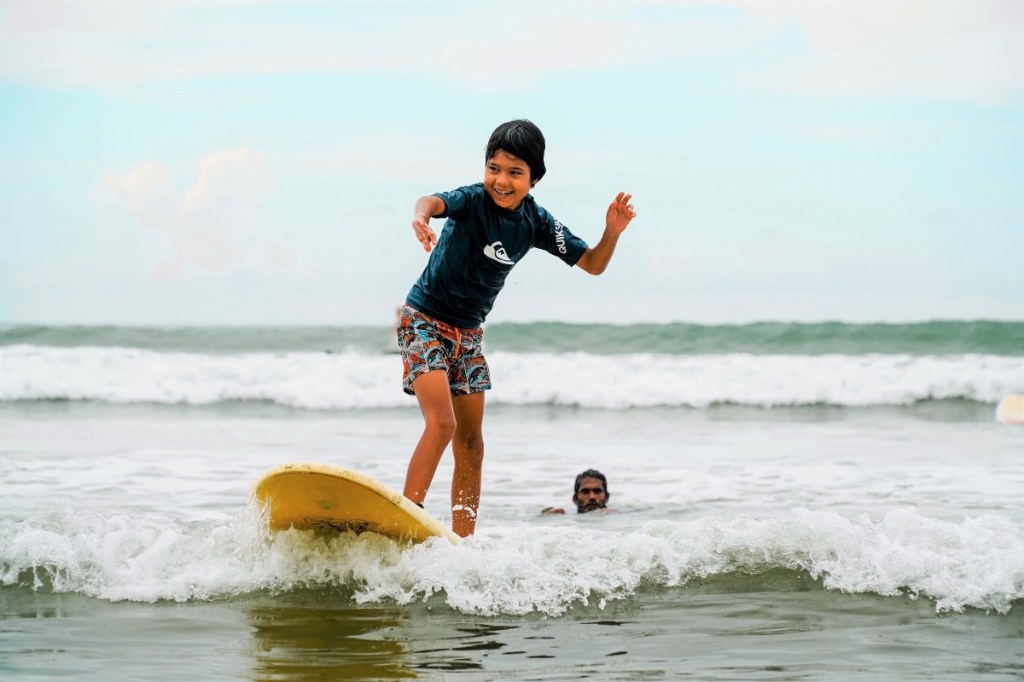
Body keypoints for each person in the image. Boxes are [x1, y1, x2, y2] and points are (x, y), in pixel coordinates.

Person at [396, 119, 636, 537]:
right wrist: (420, 217)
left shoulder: (537, 223)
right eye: (494, 168)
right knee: (443, 422)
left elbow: (593, 264)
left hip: (468, 337)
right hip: (424, 321)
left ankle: (462, 540)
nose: (500, 181)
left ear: (534, 179)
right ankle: (404, 515)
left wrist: (611, 233)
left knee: (472, 443)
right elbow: (431, 201)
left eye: (514, 172)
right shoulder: (471, 200)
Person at [542, 469, 612, 515]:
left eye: (597, 491)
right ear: (575, 499)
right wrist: (545, 515)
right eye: (585, 491)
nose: (592, 497)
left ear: (607, 497)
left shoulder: (617, 516)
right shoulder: (564, 518)